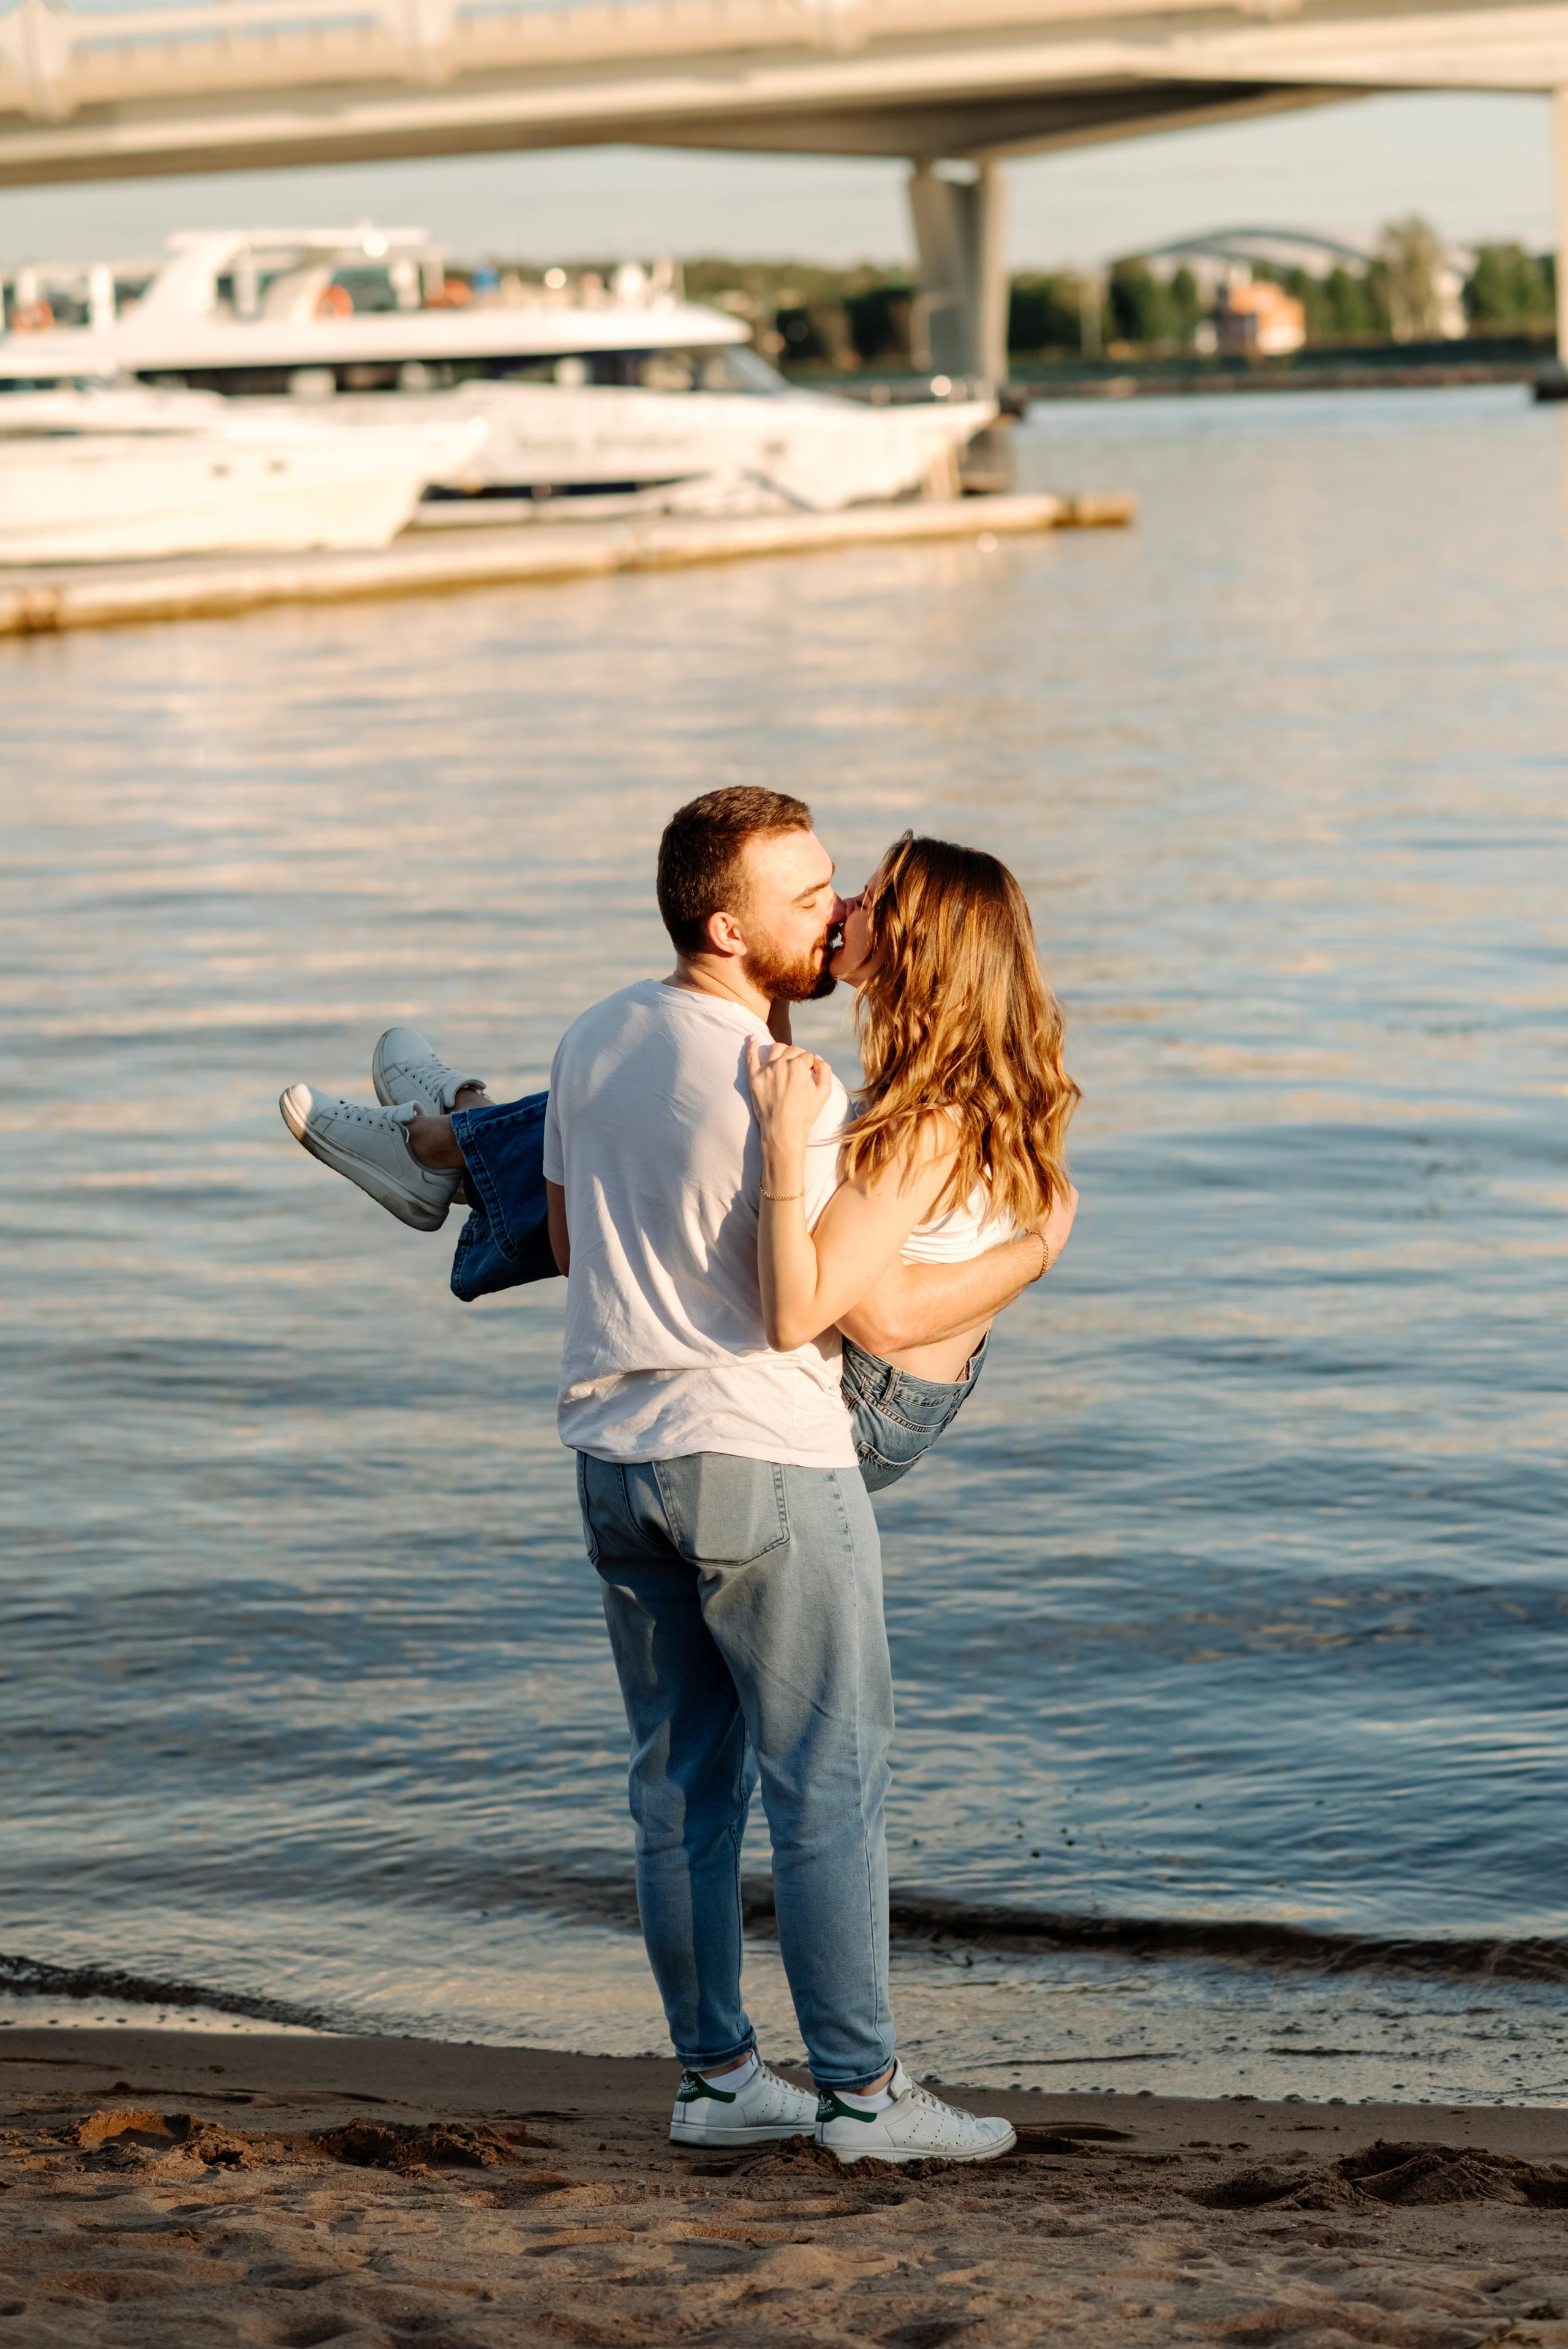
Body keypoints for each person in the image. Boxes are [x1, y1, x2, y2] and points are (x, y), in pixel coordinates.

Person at [279, 789, 1074, 2165]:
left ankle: (716, 2080)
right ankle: (865, 2098)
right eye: (816, 892)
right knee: (827, 1784)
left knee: (680, 1788)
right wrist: (1029, 1242)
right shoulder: (807, 1101)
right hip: (764, 1455)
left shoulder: (597, 1035)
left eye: (852, 892)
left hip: (613, 1457)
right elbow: (839, 1312)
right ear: (731, 925)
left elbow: (579, 1234)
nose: (837, 912)